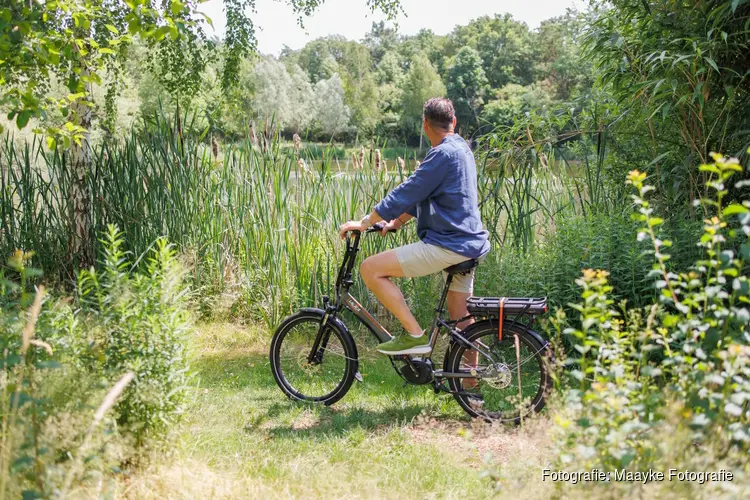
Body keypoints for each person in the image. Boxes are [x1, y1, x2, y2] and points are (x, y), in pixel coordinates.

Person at [338, 97, 490, 355]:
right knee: (462, 320)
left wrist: (364, 223)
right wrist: (396, 221)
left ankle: (415, 335)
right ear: (453, 122)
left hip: (448, 245)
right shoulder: (463, 149)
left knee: (370, 269)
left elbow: (407, 192)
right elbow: (425, 194)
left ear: (424, 125)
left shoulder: (441, 154)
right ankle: (469, 384)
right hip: (470, 243)